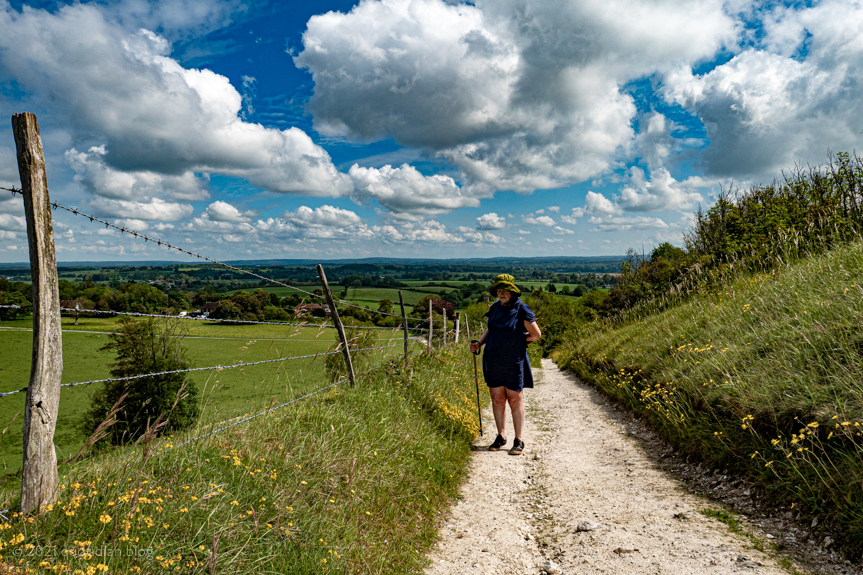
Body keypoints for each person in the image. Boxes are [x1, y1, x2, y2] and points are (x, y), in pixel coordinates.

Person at [469, 274, 541, 455]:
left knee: (515, 399)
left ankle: (519, 440)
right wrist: (479, 343)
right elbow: (490, 329)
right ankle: (501, 436)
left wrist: (521, 341)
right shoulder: (494, 308)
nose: (501, 293)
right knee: (497, 398)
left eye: (504, 290)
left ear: (511, 291)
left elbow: (536, 334)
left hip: (513, 360)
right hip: (493, 359)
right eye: (498, 290)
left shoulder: (521, 310)